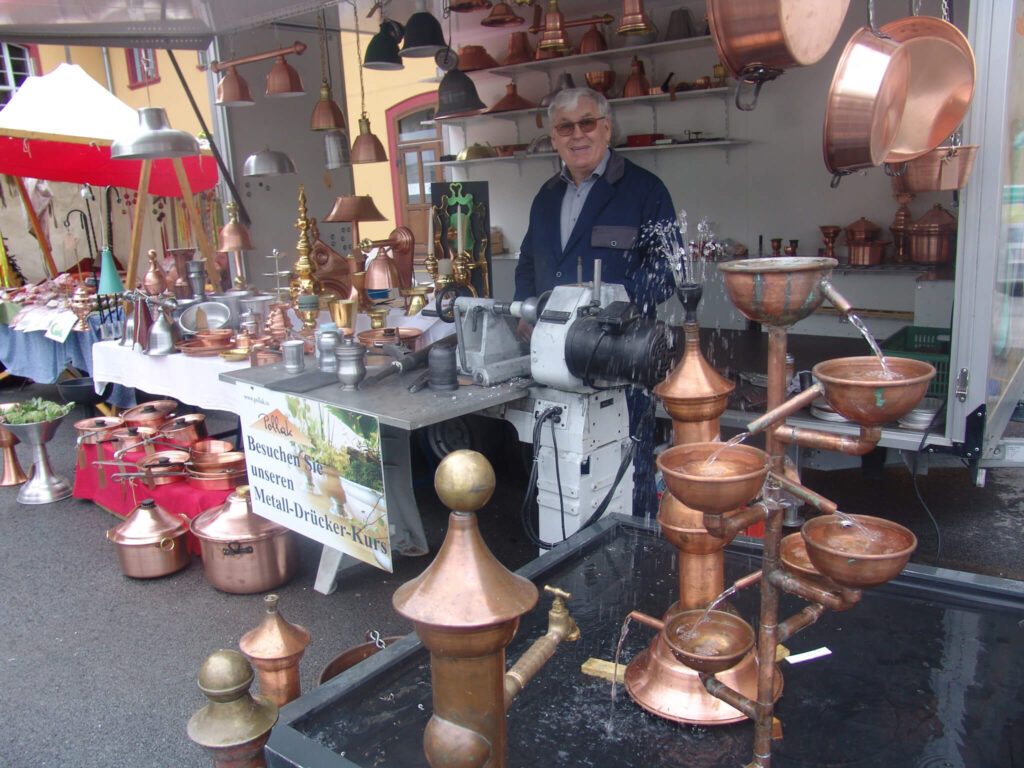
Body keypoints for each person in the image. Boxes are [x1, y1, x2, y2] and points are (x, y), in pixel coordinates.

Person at [513, 87, 678, 520]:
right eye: (565, 127)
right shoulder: (547, 197)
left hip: (619, 363)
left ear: (606, 129)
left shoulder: (644, 190)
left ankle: (636, 559)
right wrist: (525, 307)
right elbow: (528, 261)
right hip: (555, 364)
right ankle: (567, 553)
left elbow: (666, 271)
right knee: (562, 466)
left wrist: (615, 316)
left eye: (587, 123)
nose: (577, 135)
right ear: (554, 138)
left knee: (626, 468)